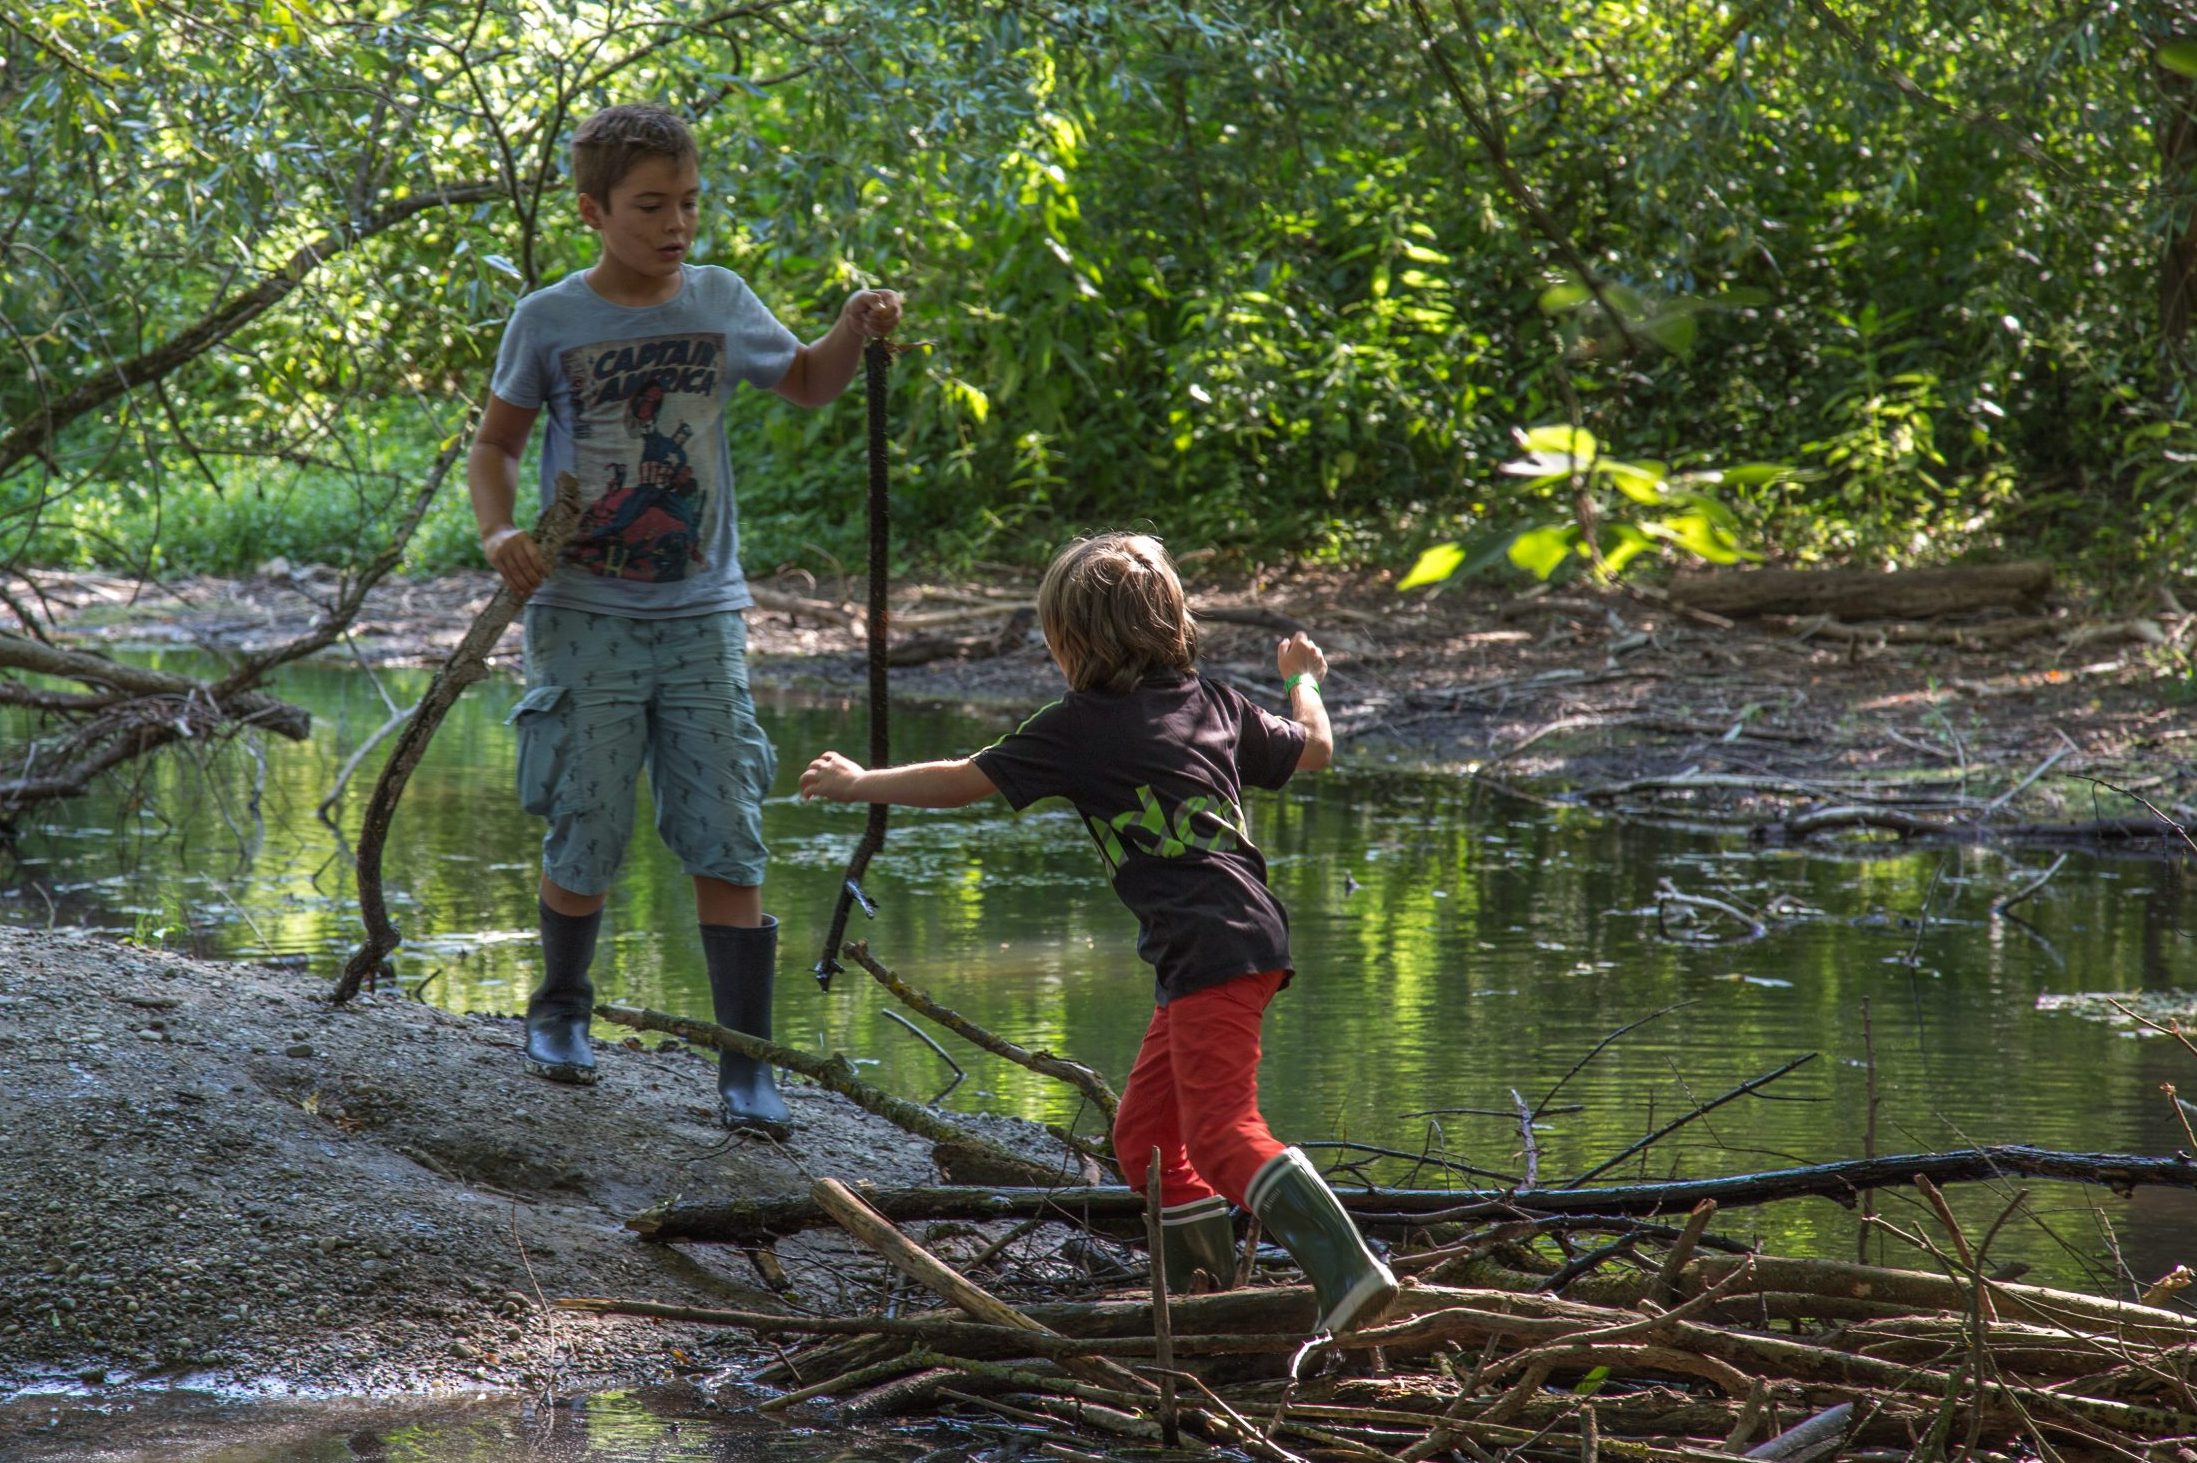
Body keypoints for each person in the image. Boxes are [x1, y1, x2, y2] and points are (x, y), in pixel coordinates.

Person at [798, 532, 1399, 1336]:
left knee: (1223, 1137)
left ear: (1071, 642)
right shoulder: (1217, 701)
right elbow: (1316, 747)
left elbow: (963, 779)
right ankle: (1205, 1300)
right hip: (1224, 945)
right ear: (1171, 625)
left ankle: (1351, 1273)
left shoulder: (1077, 725)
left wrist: (857, 782)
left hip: (1213, 948)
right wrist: (1299, 680)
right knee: (1146, 1139)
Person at [468, 102, 902, 1130]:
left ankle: (745, 1063)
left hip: (704, 612)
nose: (676, 224)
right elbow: (494, 448)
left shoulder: (718, 299)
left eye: (689, 202)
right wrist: (499, 538)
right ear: (593, 209)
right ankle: (560, 1009)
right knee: (589, 811)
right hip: (582, 611)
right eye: (651, 205)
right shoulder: (549, 318)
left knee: (725, 824)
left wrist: (849, 328)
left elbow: (802, 381)